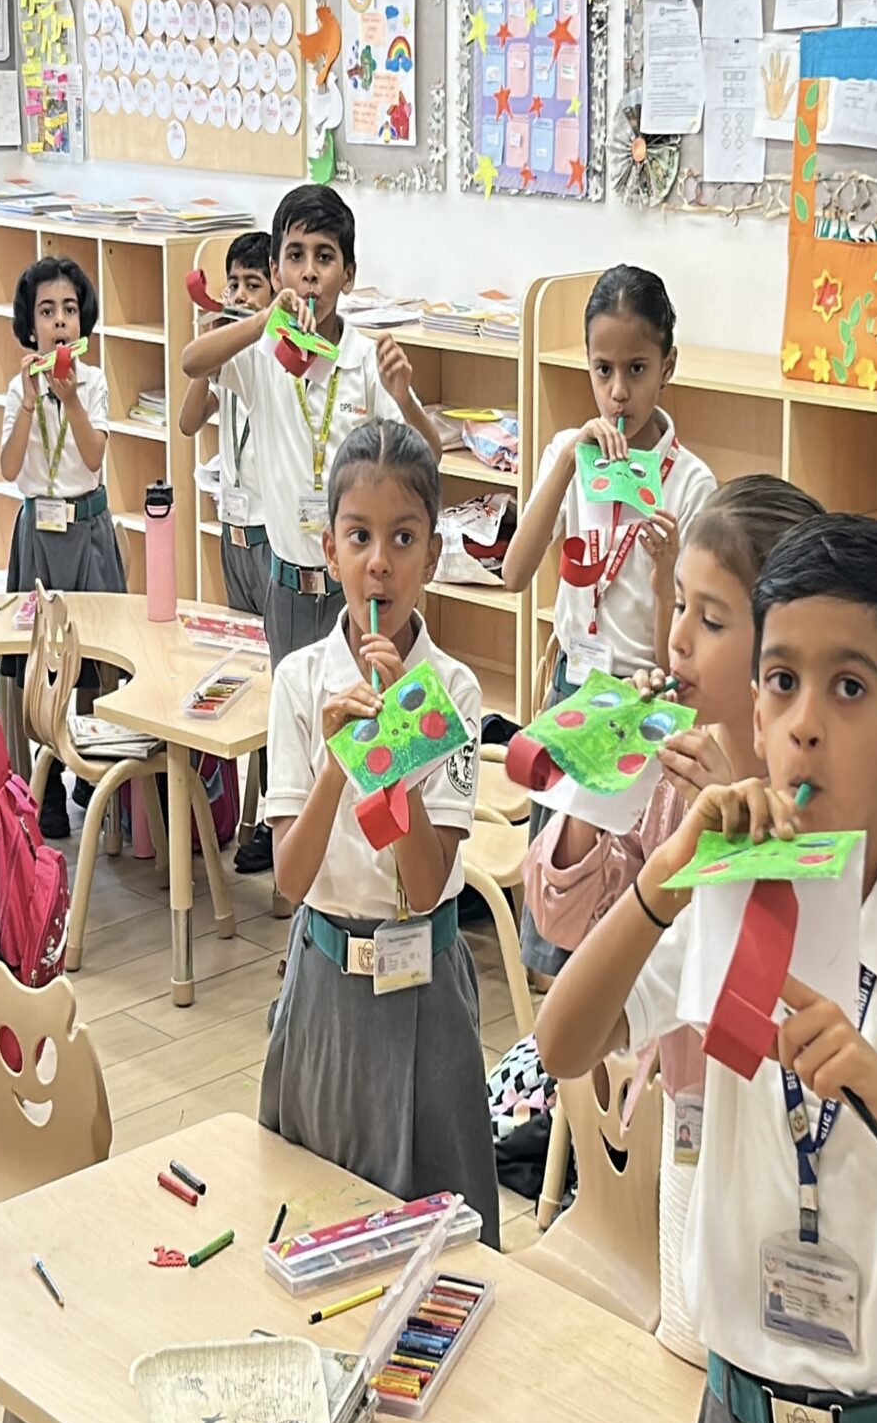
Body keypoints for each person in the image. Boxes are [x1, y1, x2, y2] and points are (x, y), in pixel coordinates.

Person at [537, 513, 877, 1423]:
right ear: (753, 712)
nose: (804, 723)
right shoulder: (730, 891)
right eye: (781, 681)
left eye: (847, 688)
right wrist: (663, 883)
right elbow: (563, 1044)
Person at [519, 473, 820, 1362]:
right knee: (688, 1351)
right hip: (687, 1122)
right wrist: (596, 786)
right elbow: (563, 918)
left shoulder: (819, 804)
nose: (677, 637)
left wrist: (729, 834)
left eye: (710, 619)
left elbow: (778, 990)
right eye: (678, 604)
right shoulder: (670, 759)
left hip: (791, 1154)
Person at [260, 419, 497, 1246]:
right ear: (329, 550)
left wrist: (394, 746)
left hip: (427, 983)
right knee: (319, 1219)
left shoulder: (454, 693)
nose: (380, 564)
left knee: (445, 1236)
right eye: (359, 537)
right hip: (327, 980)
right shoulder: (299, 683)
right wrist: (340, 757)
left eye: (403, 538)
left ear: (434, 555)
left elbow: (426, 884)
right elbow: (290, 878)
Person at [177, 185, 433, 880]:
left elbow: (427, 456)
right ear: (278, 269)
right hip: (289, 582)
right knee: (301, 734)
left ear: (348, 272)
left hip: (361, 591)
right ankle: (303, 884)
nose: (311, 272)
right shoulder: (262, 351)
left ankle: (379, 878)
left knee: (372, 729)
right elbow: (193, 365)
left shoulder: (365, 358)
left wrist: (404, 396)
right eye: (296, 256)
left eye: (325, 257)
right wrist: (263, 320)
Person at [503, 263, 719, 971]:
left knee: (618, 908)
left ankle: (609, 1021)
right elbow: (514, 573)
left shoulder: (691, 483)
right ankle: (553, 1024)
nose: (619, 391)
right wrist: (569, 460)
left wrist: (665, 572)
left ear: (667, 367)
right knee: (556, 901)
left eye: (637, 369)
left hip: (641, 703)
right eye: (603, 370)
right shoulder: (570, 453)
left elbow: (674, 657)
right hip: (572, 691)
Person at [0, 253, 121, 838]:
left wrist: (69, 398)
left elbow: (94, 456)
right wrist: (30, 399)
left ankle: (89, 767)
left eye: (70, 310)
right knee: (37, 663)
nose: (60, 321)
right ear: (31, 327)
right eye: (47, 312)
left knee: (92, 661)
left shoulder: (92, 383)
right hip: (38, 535)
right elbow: (8, 466)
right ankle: (44, 782)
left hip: (87, 526)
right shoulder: (17, 388)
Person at [176, 231, 277, 621]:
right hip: (232, 530)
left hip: (268, 530)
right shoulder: (230, 361)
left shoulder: (274, 361)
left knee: (274, 636)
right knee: (242, 633)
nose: (241, 296)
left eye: (254, 285)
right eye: (233, 285)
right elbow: (189, 422)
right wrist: (213, 346)